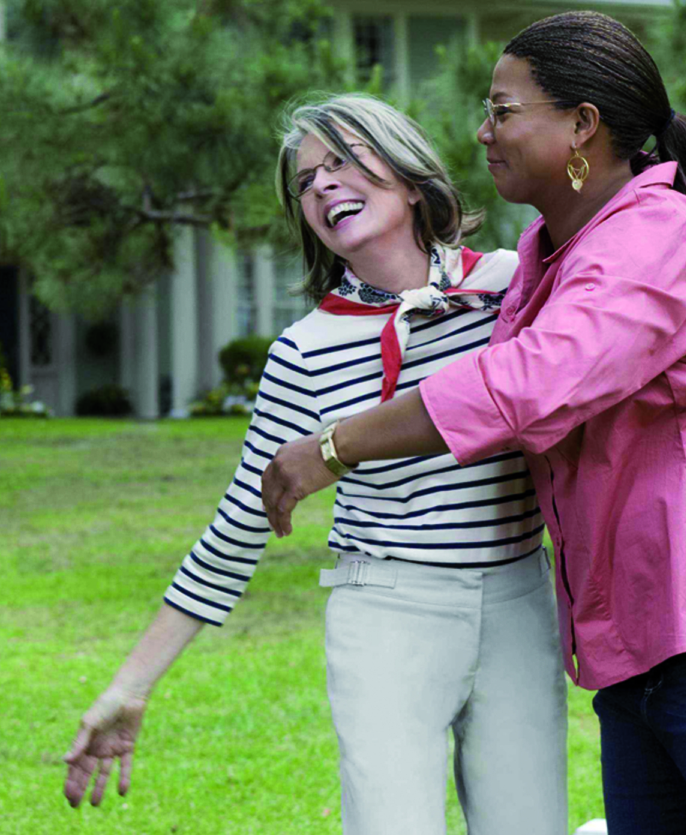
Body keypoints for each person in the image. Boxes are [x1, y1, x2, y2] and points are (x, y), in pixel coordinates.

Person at [261, 13, 686, 835]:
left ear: (582, 125)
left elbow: (530, 382)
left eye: (504, 111)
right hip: (642, 630)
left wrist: (333, 447)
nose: (483, 131)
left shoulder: (657, 232)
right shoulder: (549, 255)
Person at [62, 93, 567, 833]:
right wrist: (130, 685)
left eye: (340, 159)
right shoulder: (305, 350)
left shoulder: (506, 284)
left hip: (523, 597)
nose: (322, 184)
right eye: (305, 182)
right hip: (389, 611)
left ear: (405, 168)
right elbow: (239, 524)